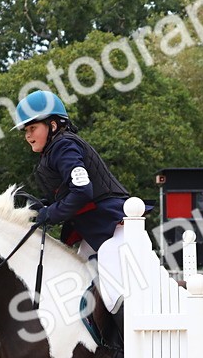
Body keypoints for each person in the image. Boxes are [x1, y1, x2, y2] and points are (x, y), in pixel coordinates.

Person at [14, 90, 130, 258]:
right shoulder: (54, 150)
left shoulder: (64, 146)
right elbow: (68, 191)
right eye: (26, 130)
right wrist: (43, 207)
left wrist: (50, 213)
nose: (28, 135)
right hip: (99, 227)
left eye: (33, 128)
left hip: (111, 225)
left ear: (53, 125)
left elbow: (82, 190)